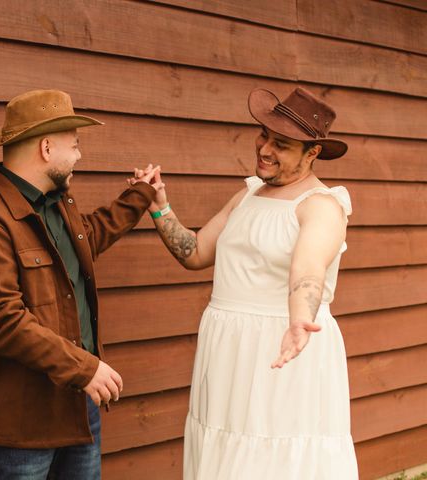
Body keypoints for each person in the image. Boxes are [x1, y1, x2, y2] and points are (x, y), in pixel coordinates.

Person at [132, 87, 358, 479]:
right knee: (224, 454)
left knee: (272, 458)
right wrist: (159, 207)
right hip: (229, 348)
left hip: (282, 349)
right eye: (264, 135)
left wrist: (299, 320)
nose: (265, 149)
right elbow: (196, 252)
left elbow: (307, 270)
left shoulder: (322, 206)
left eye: (282, 145)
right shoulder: (250, 194)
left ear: (312, 153)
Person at [0, 89, 159, 480]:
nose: (79, 155)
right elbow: (2, 321)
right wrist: (85, 369)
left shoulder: (56, 204)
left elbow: (89, 237)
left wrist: (140, 194)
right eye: (74, 145)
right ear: (46, 147)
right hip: (22, 431)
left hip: (78, 411)